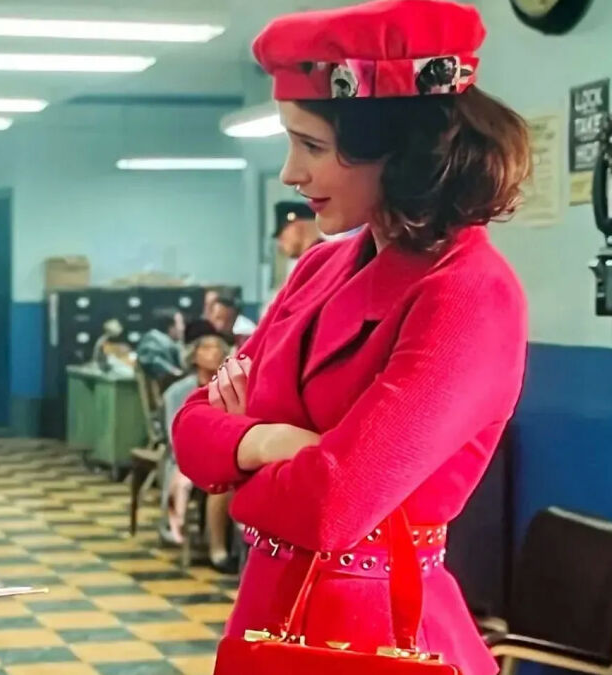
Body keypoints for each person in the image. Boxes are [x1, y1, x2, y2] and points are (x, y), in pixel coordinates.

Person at [172, 2, 529, 673]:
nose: (290, 172)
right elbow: (191, 428)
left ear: (399, 153)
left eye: (311, 146)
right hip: (269, 618)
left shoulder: (469, 292)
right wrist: (274, 442)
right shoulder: (320, 265)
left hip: (375, 633)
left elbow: (332, 505)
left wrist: (238, 454)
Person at [157, 334, 233, 572]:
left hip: (225, 450)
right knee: (221, 480)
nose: (214, 353)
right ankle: (218, 550)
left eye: (218, 348)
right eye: (207, 348)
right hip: (188, 454)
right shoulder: (178, 391)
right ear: (194, 356)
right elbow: (174, 432)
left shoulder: (230, 385)